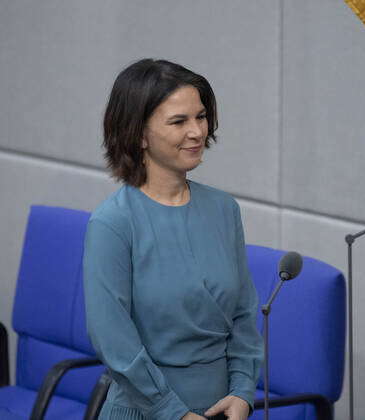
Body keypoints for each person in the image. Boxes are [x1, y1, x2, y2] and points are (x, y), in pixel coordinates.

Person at [83, 59, 263, 420]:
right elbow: (114, 341)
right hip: (145, 410)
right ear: (139, 134)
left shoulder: (223, 209)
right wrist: (173, 412)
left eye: (201, 116)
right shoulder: (113, 222)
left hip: (224, 409)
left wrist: (243, 391)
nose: (197, 132)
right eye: (179, 121)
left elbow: (243, 313)